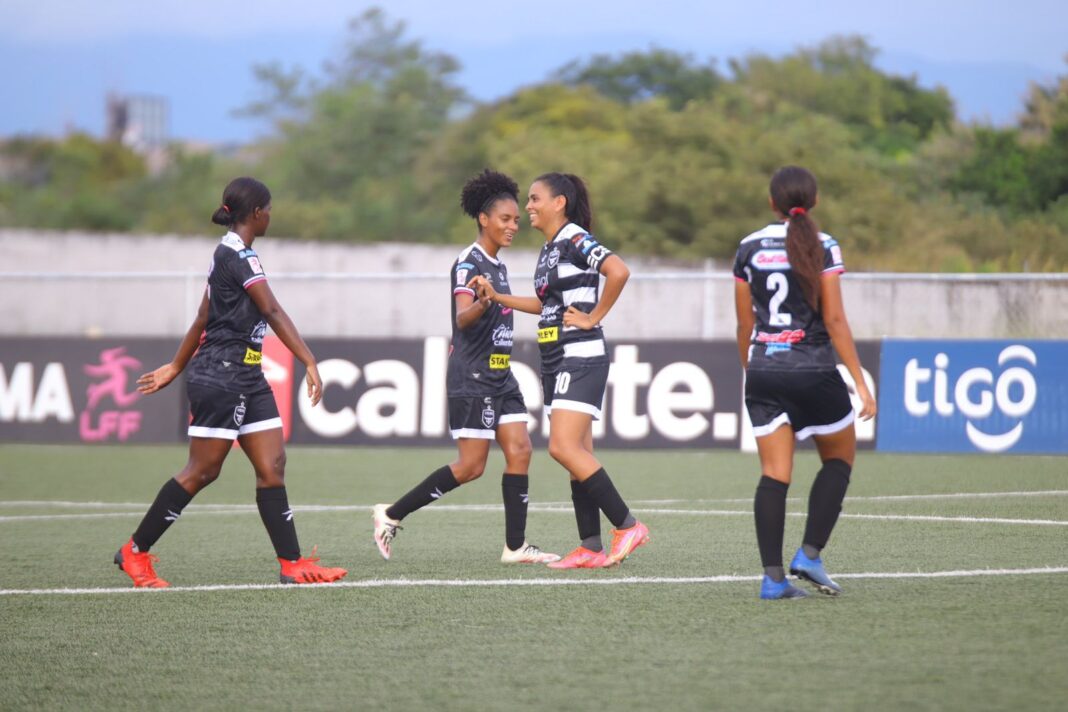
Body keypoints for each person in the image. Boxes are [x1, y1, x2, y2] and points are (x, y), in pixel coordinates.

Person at [114, 176, 347, 587]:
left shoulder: (229, 253)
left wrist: (175, 365)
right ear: (256, 213)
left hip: (248, 375)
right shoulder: (238, 256)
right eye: (268, 209)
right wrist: (308, 360)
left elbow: (204, 316)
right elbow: (271, 311)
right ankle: (135, 551)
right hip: (221, 373)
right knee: (203, 471)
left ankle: (292, 564)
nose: (270, 215)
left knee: (272, 466)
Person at [372, 170, 560, 565]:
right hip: (473, 376)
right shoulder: (468, 262)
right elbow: (462, 317)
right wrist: (484, 302)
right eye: (505, 219)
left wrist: (497, 297)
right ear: (484, 219)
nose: (513, 226)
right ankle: (391, 513)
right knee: (471, 466)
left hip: (501, 375)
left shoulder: (498, 267)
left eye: (516, 220)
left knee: (521, 450)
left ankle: (515, 547)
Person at [470, 172, 649, 569]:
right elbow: (545, 304)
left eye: (535, 198)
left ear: (559, 202)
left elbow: (618, 270)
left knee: (562, 448)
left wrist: (593, 317)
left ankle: (628, 525)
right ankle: (590, 547)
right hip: (554, 358)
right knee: (578, 454)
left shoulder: (574, 237)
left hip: (578, 354)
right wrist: (498, 297)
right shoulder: (550, 248)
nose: (528, 206)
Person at [733, 165, 877, 600]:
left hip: (764, 370)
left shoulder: (748, 247)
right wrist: (860, 383)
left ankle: (772, 579)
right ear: (813, 202)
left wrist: (752, 371)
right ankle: (810, 554)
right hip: (813, 370)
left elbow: (744, 324)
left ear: (771, 202)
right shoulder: (824, 245)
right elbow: (834, 319)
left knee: (774, 474)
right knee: (839, 460)